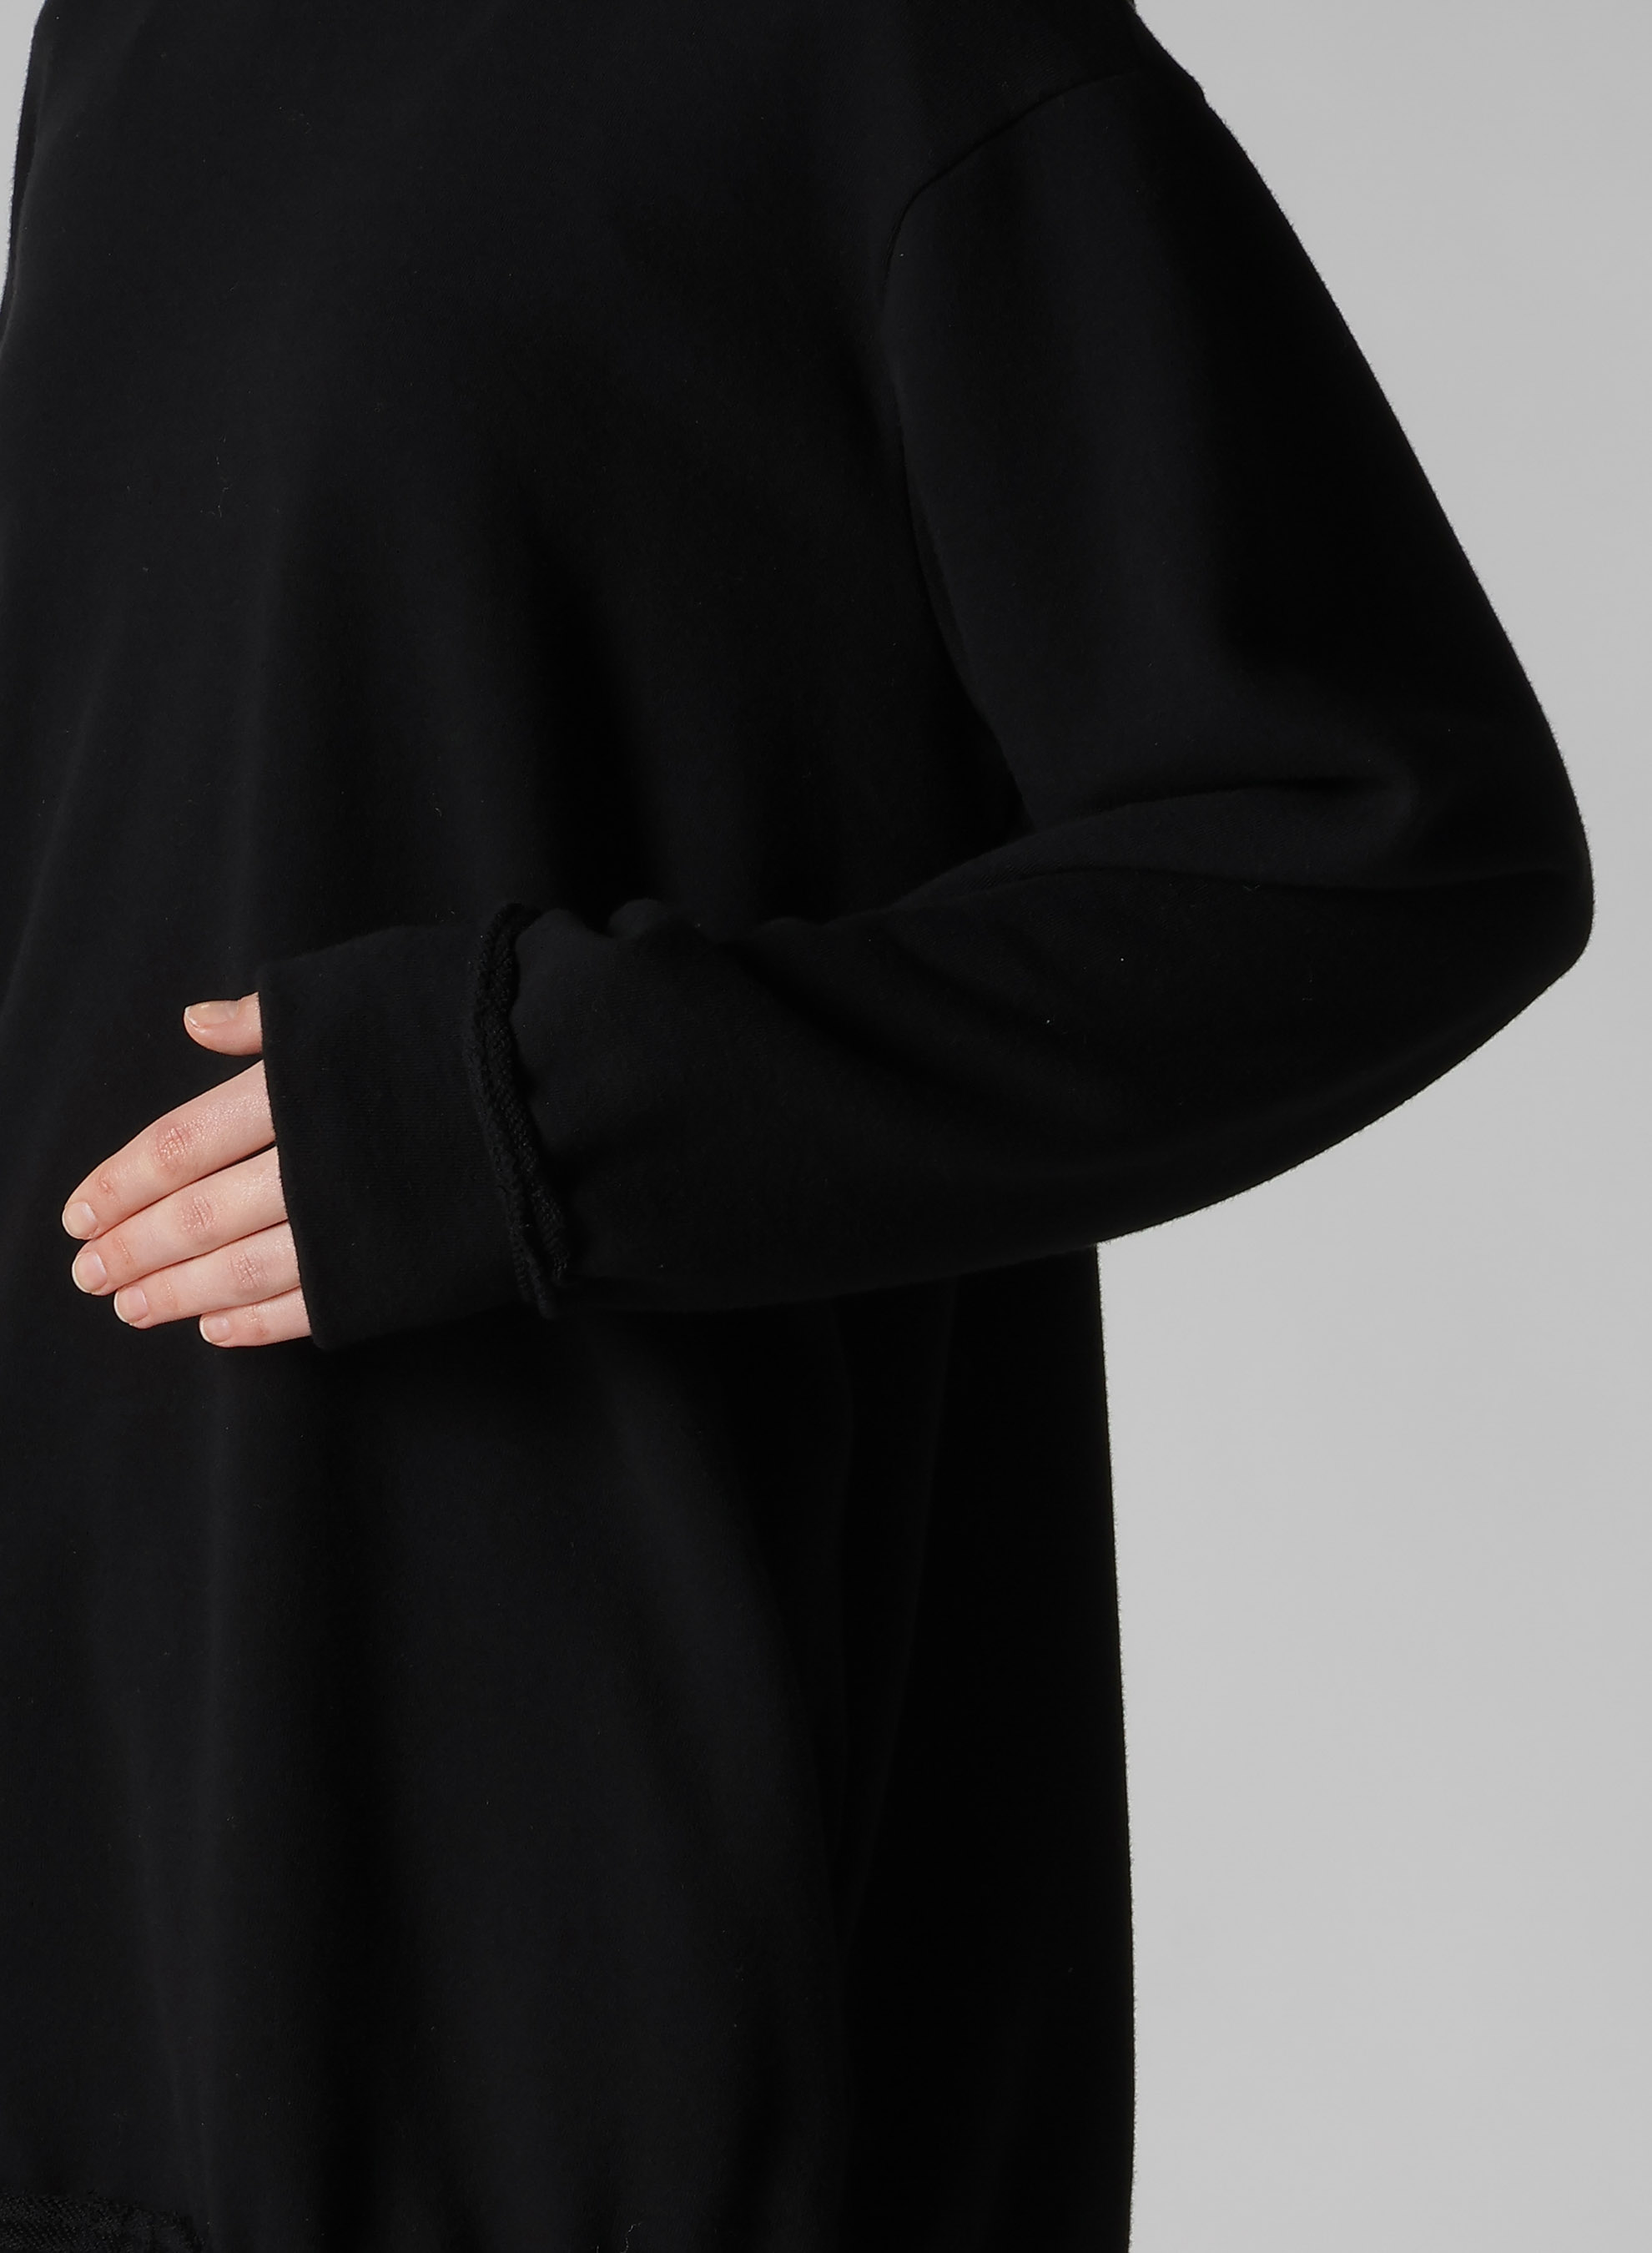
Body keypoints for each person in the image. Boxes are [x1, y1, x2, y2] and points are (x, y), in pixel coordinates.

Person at [0, 1, 1589, 2248]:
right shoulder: (129, 44)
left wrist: (539, 1110)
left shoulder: (893, 45)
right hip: (101, 1927)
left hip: (605, 1973)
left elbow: (1390, 838)